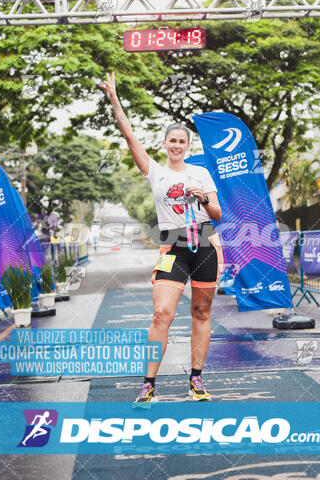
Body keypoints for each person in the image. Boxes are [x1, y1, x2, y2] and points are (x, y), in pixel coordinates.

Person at [100, 72, 222, 403]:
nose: (177, 145)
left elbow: (218, 215)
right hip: (173, 246)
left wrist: (204, 198)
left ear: (188, 146)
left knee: (201, 312)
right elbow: (128, 136)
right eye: (172, 141)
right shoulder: (156, 171)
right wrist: (114, 98)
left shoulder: (201, 173)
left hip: (206, 243)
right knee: (161, 313)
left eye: (182, 141)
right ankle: (148, 383)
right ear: (165, 144)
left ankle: (196, 379)